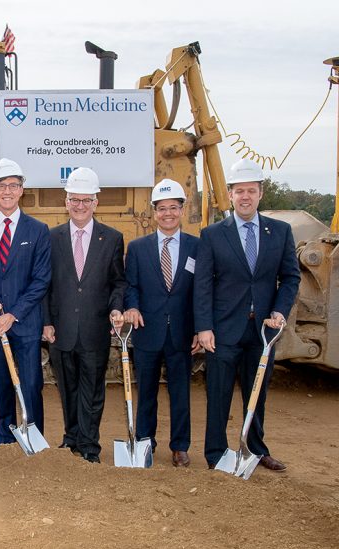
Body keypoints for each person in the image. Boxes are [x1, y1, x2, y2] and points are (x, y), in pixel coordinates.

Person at [194, 158, 301, 471]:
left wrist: (280, 311)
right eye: (239, 191)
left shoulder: (279, 232)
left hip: (262, 333)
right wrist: (204, 328)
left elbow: (290, 277)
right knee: (218, 394)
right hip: (223, 331)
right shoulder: (213, 235)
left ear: (260, 194)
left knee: (257, 395)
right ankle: (216, 453)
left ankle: (256, 449)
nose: (245, 196)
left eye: (251, 191)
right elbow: (203, 285)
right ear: (230, 195)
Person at [42, 167, 126, 463]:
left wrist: (116, 307)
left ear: (95, 203)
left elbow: (118, 281)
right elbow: (45, 285)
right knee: (68, 389)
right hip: (61, 330)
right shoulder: (51, 238)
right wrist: (46, 322)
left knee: (92, 392)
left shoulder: (112, 239)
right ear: (66, 202)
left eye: (86, 200)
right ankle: (71, 438)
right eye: (74, 200)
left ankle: (89, 445)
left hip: (94, 329)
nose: (80, 206)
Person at [0, 158, 51, 444]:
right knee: (3, 384)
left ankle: (34, 437)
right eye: (1, 186)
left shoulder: (38, 230)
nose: (7, 191)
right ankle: (5, 436)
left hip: (25, 323)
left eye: (13, 186)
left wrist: (13, 314)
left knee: (30, 384)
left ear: (21, 190)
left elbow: (41, 280)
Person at [122, 179, 200, 467]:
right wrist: (132, 307)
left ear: (181, 210)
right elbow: (131, 285)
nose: (167, 213)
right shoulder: (138, 248)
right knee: (147, 393)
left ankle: (180, 446)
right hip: (148, 332)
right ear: (154, 212)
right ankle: (145, 442)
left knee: (180, 392)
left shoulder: (196, 246)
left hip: (182, 332)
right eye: (162, 208)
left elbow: (201, 291)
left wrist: (199, 327)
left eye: (173, 208)